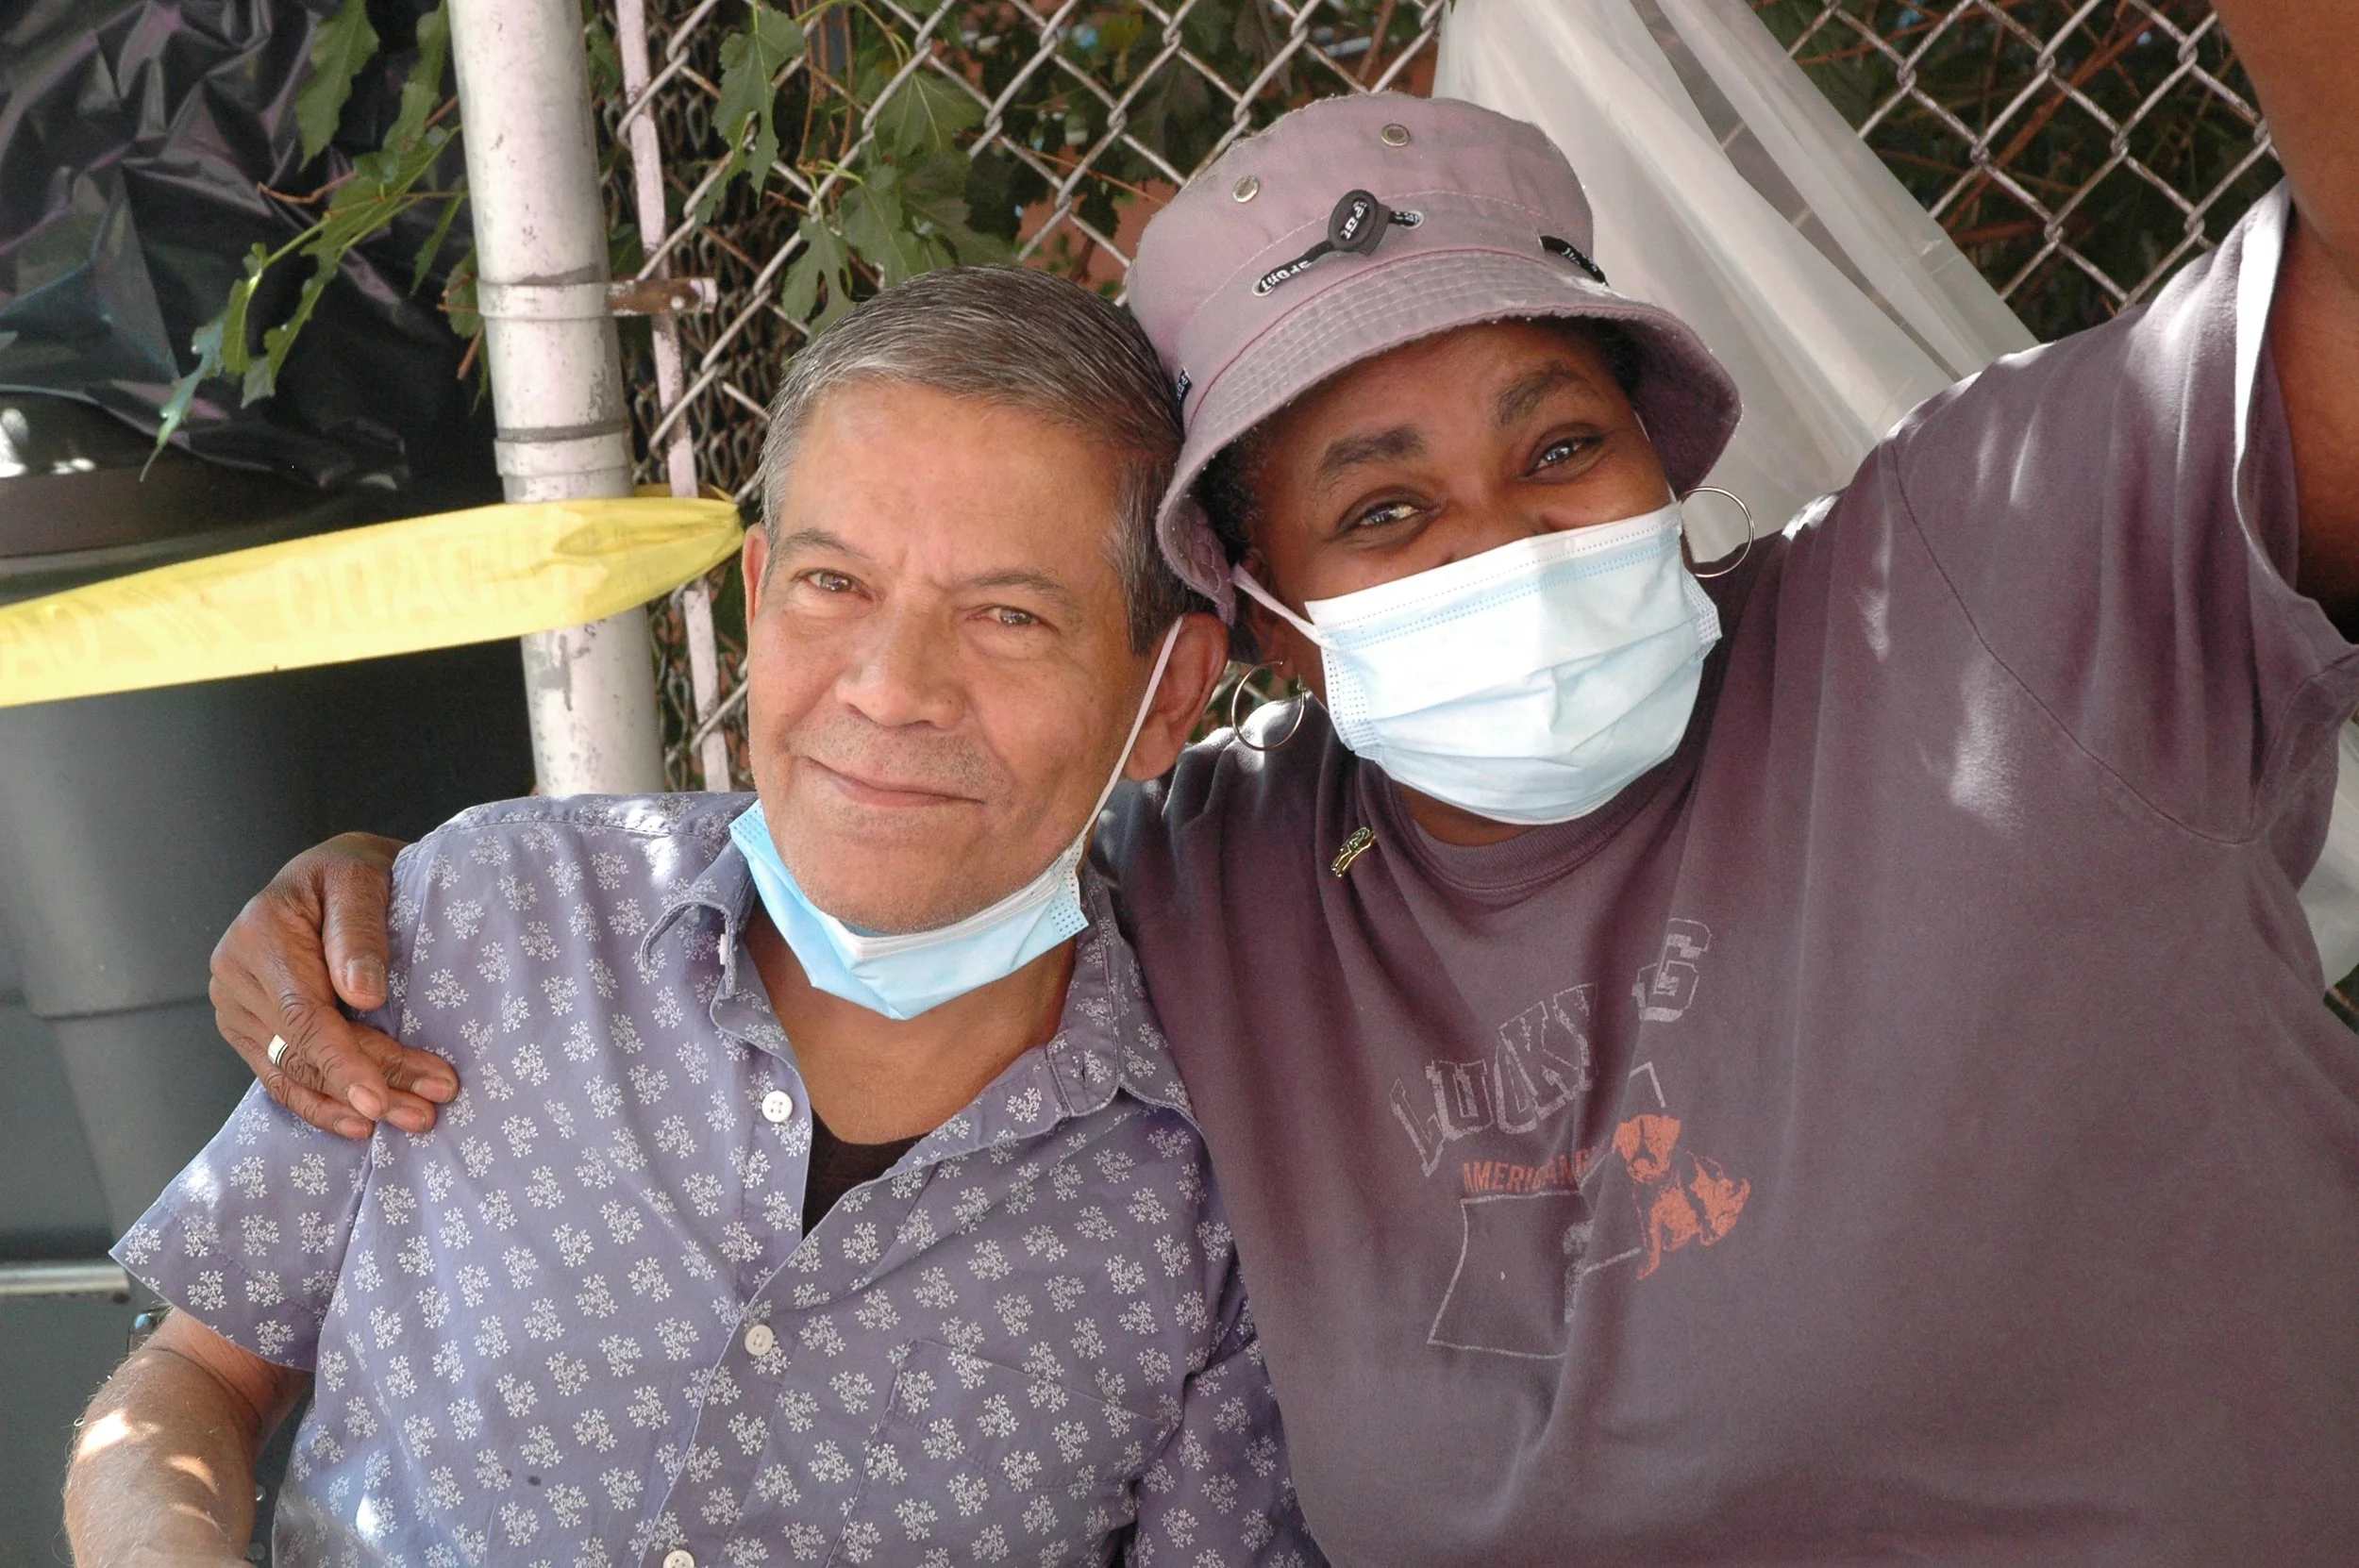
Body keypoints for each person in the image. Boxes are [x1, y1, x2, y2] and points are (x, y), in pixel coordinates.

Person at [206, 4, 2359, 1558]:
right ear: (1262, 629)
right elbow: (881, 822)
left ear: (1660, 450)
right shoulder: (1221, 873)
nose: (1505, 544)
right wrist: (388, 899)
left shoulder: (1981, 590)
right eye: (1385, 509)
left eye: (1559, 444)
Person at [62, 268, 1320, 1568]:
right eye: (835, 584)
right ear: (759, 590)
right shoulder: (489, 917)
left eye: (1008, 616)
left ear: (1169, 693)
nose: (890, 688)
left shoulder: (1209, 1199)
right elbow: (200, 1373)